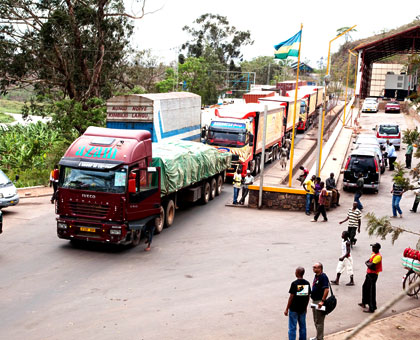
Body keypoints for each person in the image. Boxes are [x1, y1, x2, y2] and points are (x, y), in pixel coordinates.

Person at [284, 267, 311, 340]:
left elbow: (291, 297)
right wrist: (305, 307)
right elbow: (307, 296)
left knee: (292, 327)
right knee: (302, 327)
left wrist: (287, 309)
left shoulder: (294, 284)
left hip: (294, 309)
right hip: (302, 309)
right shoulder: (306, 283)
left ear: (297, 273)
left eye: (295, 271)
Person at [359, 243, 382, 313]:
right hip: (369, 273)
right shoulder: (373, 254)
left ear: (377, 248)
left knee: (371, 291)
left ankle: (372, 307)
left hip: (373, 275)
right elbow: (368, 262)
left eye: (373, 247)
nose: (372, 248)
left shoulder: (378, 256)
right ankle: (364, 302)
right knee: (365, 287)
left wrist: (367, 264)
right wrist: (368, 264)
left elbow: (370, 265)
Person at [310, 262, 329, 340]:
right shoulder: (317, 276)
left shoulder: (323, 277)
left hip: (319, 302)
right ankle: (318, 336)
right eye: (313, 267)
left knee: (319, 321)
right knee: (315, 320)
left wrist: (322, 301)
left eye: (315, 267)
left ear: (320, 269)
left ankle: (320, 338)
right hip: (314, 301)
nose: (313, 268)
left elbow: (326, 290)